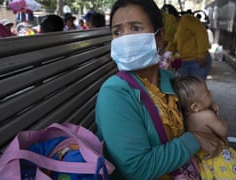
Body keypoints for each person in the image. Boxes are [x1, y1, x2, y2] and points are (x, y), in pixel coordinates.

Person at [95, 0, 222, 179]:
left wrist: (206, 105)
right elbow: (136, 168)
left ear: (160, 37)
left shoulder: (168, 79)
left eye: (136, 28)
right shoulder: (115, 94)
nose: (125, 38)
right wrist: (195, 139)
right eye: (118, 31)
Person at [173, 76, 236, 180]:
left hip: (203, 160)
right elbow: (223, 130)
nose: (211, 93)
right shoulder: (206, 115)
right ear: (195, 107)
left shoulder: (185, 118)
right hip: (217, 156)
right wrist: (216, 114)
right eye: (207, 94)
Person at [163, 4, 212, 79]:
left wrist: (201, 55)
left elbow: (201, 33)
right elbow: (173, 43)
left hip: (197, 60)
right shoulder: (174, 27)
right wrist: (166, 56)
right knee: (186, 88)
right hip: (185, 61)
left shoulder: (187, 19)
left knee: (196, 87)